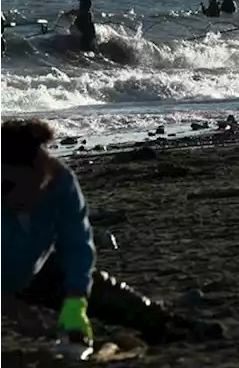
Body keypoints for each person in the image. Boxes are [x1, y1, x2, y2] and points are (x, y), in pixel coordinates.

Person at [0, 118, 224, 346]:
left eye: (29, 187)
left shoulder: (60, 184)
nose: (16, 197)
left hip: (31, 269)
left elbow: (78, 246)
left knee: (103, 290)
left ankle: (165, 325)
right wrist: (11, 307)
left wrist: (75, 304)